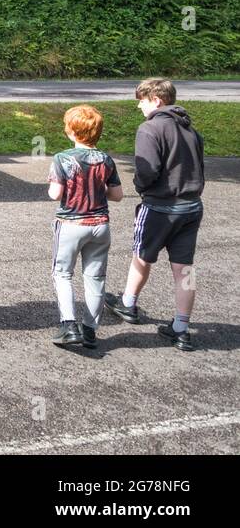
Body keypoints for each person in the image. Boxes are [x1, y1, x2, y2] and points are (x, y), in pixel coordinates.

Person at [103, 78, 205, 351]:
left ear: (156, 100)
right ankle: (181, 328)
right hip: (192, 206)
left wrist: (140, 187)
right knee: (185, 269)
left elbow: (147, 170)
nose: (139, 105)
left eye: (141, 99)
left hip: (161, 207)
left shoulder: (150, 129)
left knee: (142, 256)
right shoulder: (190, 129)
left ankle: (128, 304)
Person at [47, 105, 123, 350]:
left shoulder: (62, 158)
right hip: (100, 225)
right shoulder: (106, 160)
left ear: (71, 132)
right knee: (95, 278)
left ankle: (69, 326)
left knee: (62, 274)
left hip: (71, 223)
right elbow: (117, 194)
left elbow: (55, 193)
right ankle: (90, 330)